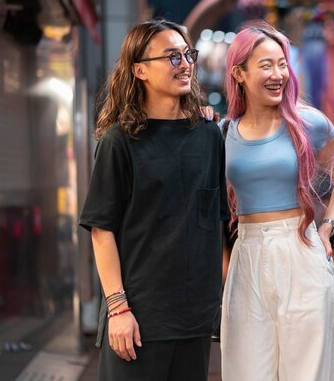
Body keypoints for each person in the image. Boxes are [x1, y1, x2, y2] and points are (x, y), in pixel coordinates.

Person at [78, 19, 227, 381]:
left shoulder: (209, 136)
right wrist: (117, 308)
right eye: (172, 56)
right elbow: (102, 230)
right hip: (136, 319)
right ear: (139, 70)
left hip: (194, 320)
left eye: (187, 54)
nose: (186, 63)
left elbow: (215, 224)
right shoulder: (120, 141)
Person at [220, 20, 334, 381]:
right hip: (247, 255)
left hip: (301, 251)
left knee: (306, 373)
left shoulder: (309, 123)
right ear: (239, 74)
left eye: (282, 64)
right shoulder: (221, 133)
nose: (278, 73)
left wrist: (326, 229)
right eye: (266, 65)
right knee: (244, 372)